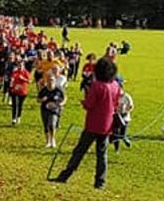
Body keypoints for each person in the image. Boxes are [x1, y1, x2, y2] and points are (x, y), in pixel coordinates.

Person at [49, 58, 122, 189]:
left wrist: (83, 102)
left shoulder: (97, 85)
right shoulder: (115, 86)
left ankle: (65, 175)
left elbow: (89, 104)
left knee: (79, 151)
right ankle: (100, 182)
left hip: (93, 124)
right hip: (107, 125)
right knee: (102, 155)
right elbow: (116, 103)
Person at [37, 74, 66, 148]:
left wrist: (61, 104)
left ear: (55, 81)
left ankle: (53, 139)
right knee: (46, 125)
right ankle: (48, 141)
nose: (51, 82)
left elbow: (64, 98)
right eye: (49, 80)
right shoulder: (44, 90)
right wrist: (42, 100)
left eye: (52, 80)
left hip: (55, 109)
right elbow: (38, 99)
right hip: (45, 109)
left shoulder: (58, 89)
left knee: (52, 124)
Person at [112, 83, 133, 152]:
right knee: (116, 133)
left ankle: (125, 139)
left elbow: (131, 106)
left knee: (122, 134)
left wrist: (125, 111)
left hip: (125, 118)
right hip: (116, 117)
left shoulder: (127, 96)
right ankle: (116, 149)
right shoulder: (114, 96)